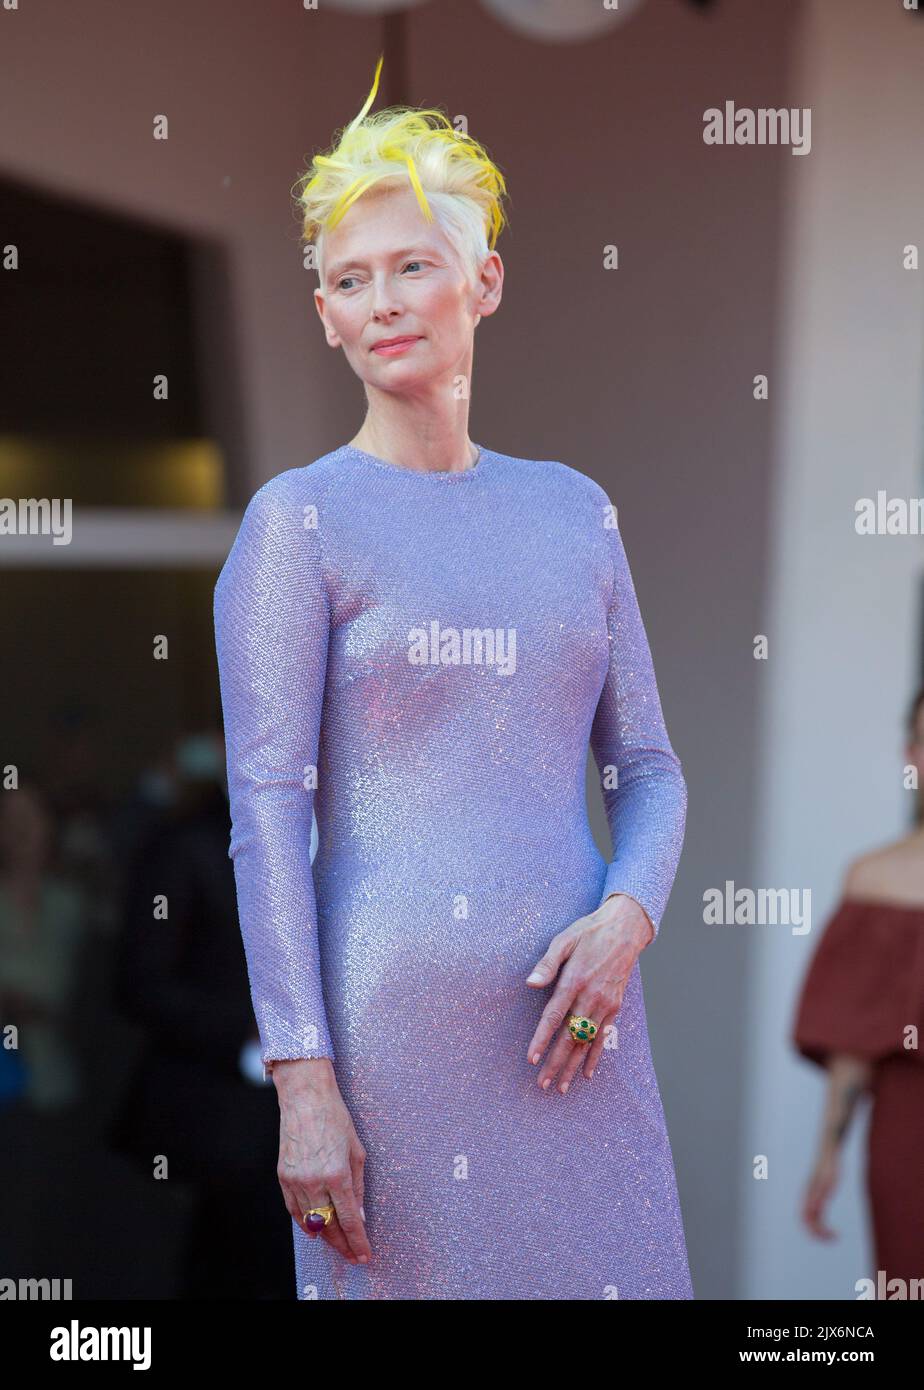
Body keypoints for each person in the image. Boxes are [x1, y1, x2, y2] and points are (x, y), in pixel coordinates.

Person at [213, 54, 692, 1299]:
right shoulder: (300, 520)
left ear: (483, 282)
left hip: (578, 1036)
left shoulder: (575, 511)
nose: (380, 300)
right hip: (387, 1046)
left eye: (413, 265)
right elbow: (265, 814)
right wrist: (302, 1080)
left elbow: (646, 766)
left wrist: (630, 914)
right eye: (347, 279)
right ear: (322, 313)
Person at [793, 686, 924, 1286]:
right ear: (911, 755)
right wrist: (828, 1153)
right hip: (908, 1129)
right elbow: (851, 1042)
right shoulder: (873, 879)